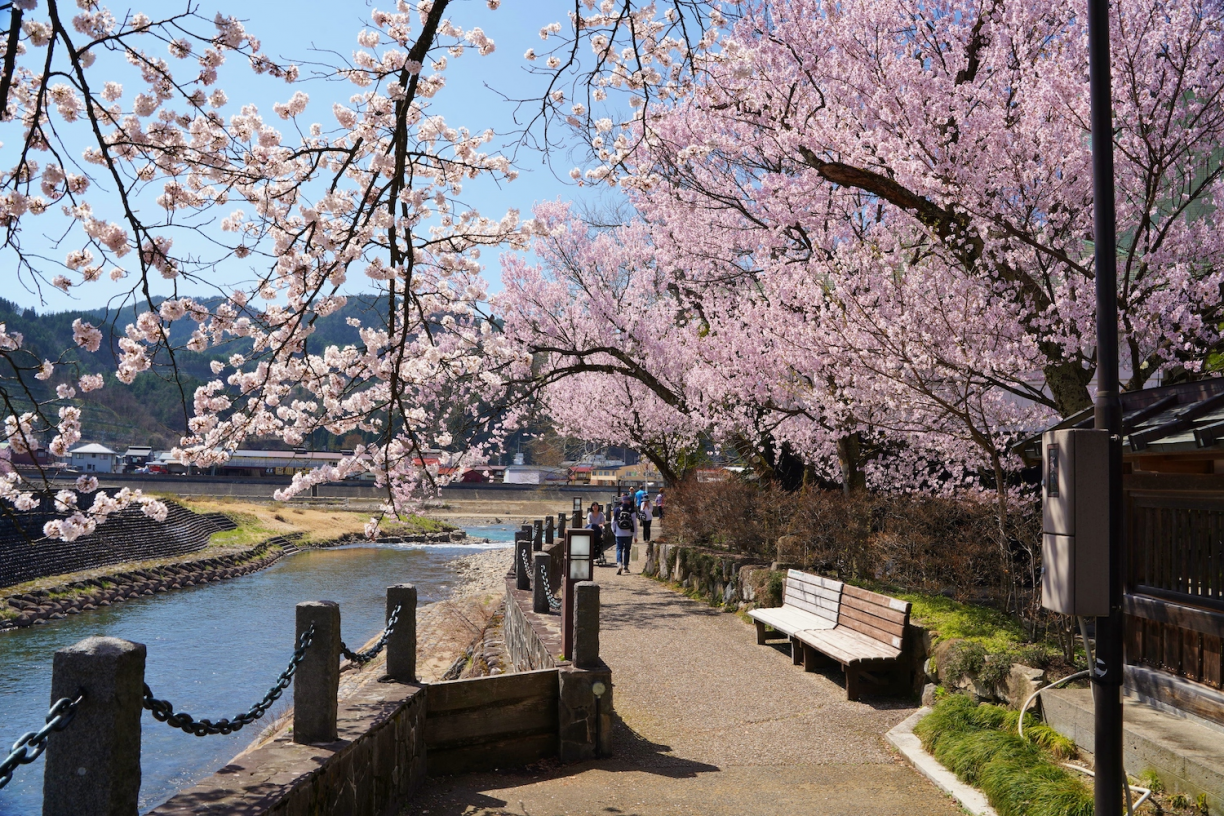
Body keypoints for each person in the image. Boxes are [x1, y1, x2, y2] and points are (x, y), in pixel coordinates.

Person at [611, 494, 637, 575]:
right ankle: (625, 566)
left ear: (622, 501)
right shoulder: (631, 510)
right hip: (629, 533)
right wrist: (635, 535)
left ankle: (619, 564)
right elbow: (635, 524)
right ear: (629, 502)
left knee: (619, 549)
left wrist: (614, 531)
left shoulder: (617, 509)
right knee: (627, 550)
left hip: (619, 533)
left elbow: (613, 522)